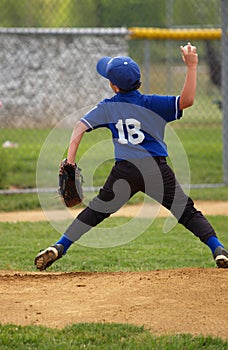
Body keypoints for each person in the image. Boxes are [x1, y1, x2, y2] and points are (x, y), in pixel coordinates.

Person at [35, 43, 228, 271]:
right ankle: (218, 249)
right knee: (186, 212)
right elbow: (186, 101)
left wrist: (70, 161)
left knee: (95, 212)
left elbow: (79, 127)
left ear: (113, 86)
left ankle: (60, 246)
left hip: (125, 171)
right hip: (157, 169)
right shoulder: (153, 104)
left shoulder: (108, 107)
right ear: (139, 81)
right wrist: (192, 66)